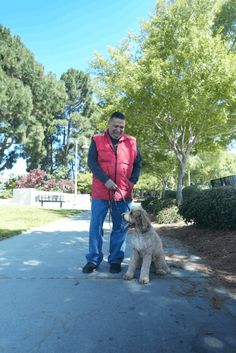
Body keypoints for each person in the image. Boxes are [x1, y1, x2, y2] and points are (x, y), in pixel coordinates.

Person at [82, 111, 142, 274]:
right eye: (115, 126)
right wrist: (105, 180)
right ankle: (93, 260)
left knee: (120, 227)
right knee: (96, 227)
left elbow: (138, 164)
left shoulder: (131, 142)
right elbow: (92, 162)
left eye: (121, 127)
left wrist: (132, 182)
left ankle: (115, 260)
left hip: (123, 193)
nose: (118, 129)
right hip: (100, 192)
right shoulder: (97, 139)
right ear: (108, 125)